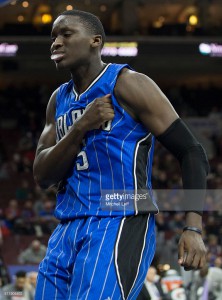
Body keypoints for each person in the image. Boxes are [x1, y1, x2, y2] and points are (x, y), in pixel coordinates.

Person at [33, 9, 209, 300]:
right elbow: (42, 175)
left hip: (120, 218)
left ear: (95, 41)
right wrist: (81, 127)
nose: (56, 43)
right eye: (53, 37)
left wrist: (193, 226)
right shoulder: (58, 100)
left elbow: (192, 151)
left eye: (66, 34)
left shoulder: (128, 83)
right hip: (67, 225)